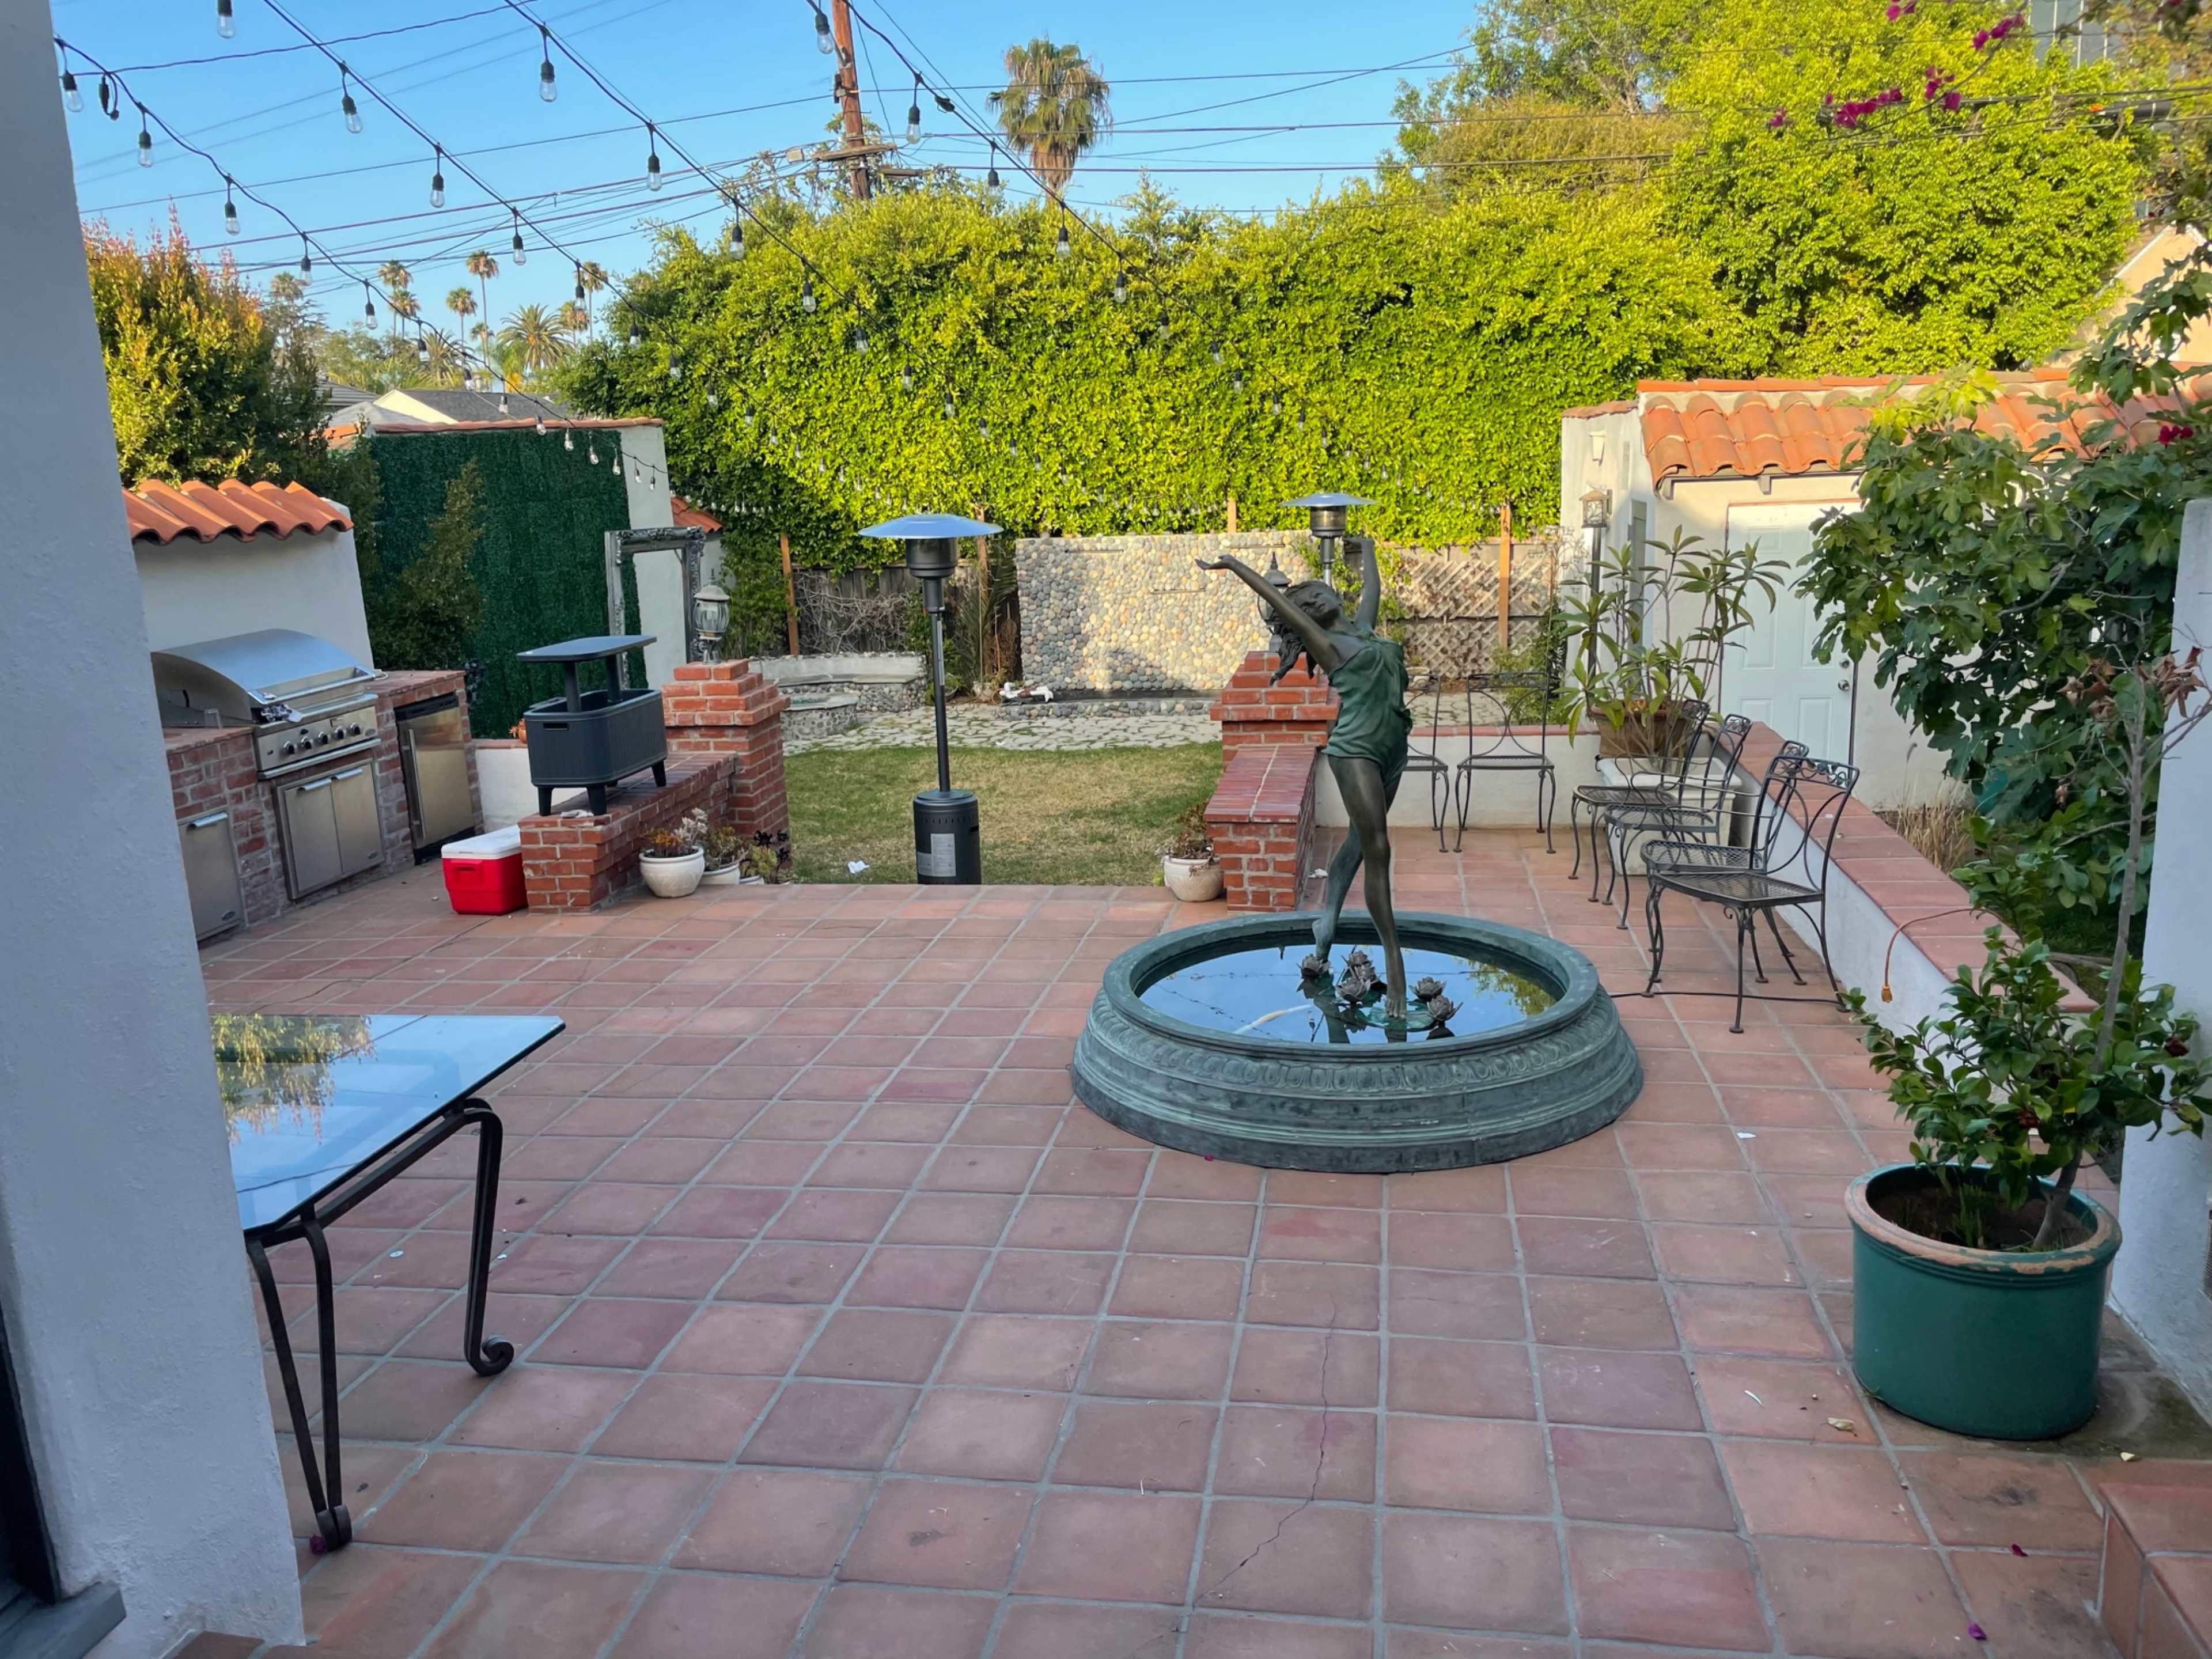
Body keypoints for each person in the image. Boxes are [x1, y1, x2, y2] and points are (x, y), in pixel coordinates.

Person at [1196, 535, 1415, 1019]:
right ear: (1314, 613)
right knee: (1378, 850)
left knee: (1359, 846)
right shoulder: (1330, 643)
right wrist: (1234, 564)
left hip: (1393, 749)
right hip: (1355, 752)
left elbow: (1373, 590)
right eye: (1316, 596)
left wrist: (1371, 549)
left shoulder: (1364, 631)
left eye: (1322, 590)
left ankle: (1326, 928)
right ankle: (1394, 965)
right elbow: (1279, 603)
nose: (1325, 594)